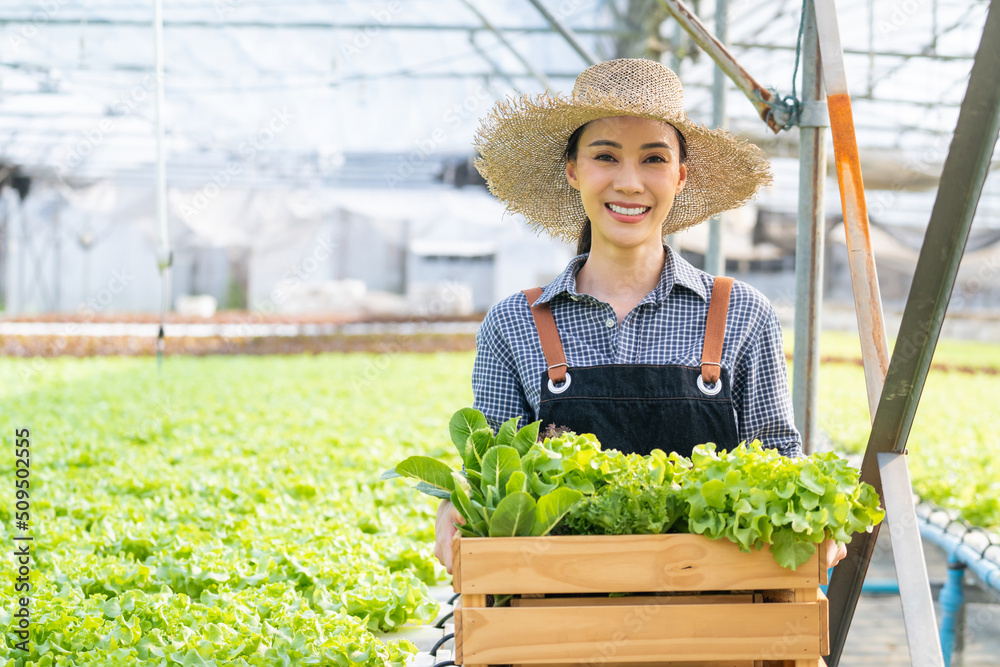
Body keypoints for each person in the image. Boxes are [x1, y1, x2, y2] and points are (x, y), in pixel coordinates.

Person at [433, 58, 846, 572]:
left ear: (680, 175)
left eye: (654, 159)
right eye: (606, 156)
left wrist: (813, 514)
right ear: (573, 170)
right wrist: (458, 503)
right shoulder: (515, 323)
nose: (630, 183)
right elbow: (490, 472)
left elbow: (779, 456)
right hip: (560, 617)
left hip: (716, 617)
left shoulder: (740, 313)